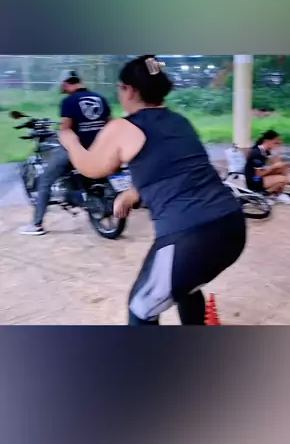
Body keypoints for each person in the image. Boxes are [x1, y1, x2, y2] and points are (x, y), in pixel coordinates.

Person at [58, 55, 246, 325]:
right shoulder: (179, 121)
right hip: (231, 227)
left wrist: (70, 140)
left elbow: (90, 167)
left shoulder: (124, 126)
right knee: (186, 286)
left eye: (120, 87)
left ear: (129, 90)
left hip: (190, 236)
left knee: (141, 307)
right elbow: (171, 167)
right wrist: (133, 192)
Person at [20, 71, 111, 235]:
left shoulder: (69, 101)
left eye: (62, 85)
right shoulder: (100, 98)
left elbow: (66, 130)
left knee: (45, 179)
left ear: (65, 84)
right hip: (100, 148)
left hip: (77, 150)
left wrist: (61, 133)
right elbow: (110, 123)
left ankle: (37, 224)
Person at [244, 130, 290, 204]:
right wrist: (273, 167)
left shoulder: (266, 151)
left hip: (260, 176)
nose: (277, 145)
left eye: (278, 143)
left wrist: (278, 152)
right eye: (275, 143)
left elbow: (277, 162)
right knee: (283, 179)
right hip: (254, 180)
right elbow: (258, 174)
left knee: (284, 168)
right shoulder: (256, 153)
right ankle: (262, 195)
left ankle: (278, 194)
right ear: (267, 141)